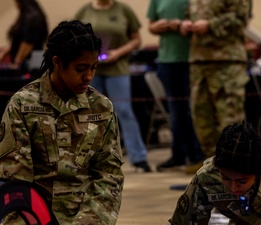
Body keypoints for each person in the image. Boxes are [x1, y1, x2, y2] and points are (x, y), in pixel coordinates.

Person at [0, 20, 124, 224]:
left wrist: (88, 221)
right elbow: (16, 184)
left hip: (87, 217)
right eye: (81, 68)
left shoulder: (102, 108)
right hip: (34, 217)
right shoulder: (23, 105)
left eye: (93, 67)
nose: (89, 76)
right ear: (57, 62)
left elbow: (109, 177)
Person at [74, 0, 151, 172]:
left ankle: (139, 158)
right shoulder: (84, 11)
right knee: (90, 113)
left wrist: (118, 53)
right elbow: (74, 39)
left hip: (118, 68)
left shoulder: (124, 10)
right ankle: (90, 158)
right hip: (90, 69)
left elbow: (136, 40)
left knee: (124, 111)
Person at [179, 0, 252, 160]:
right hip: (199, 61)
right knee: (202, 118)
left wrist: (210, 25)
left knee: (230, 119)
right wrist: (185, 24)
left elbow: (240, 18)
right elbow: (188, 14)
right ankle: (214, 170)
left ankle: (236, 169)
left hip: (227, 61)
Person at [146, 0, 204, 173]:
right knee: (175, 112)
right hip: (167, 61)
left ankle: (196, 155)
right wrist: (161, 26)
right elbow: (151, 26)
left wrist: (182, 25)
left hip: (191, 60)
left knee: (192, 110)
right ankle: (178, 155)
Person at [0, 0, 48, 71]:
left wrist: (17, 62)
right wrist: (6, 52)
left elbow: (28, 43)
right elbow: (20, 40)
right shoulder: (29, 15)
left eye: (17, 3)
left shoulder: (32, 17)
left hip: (29, 62)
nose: (16, 6)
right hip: (29, 60)